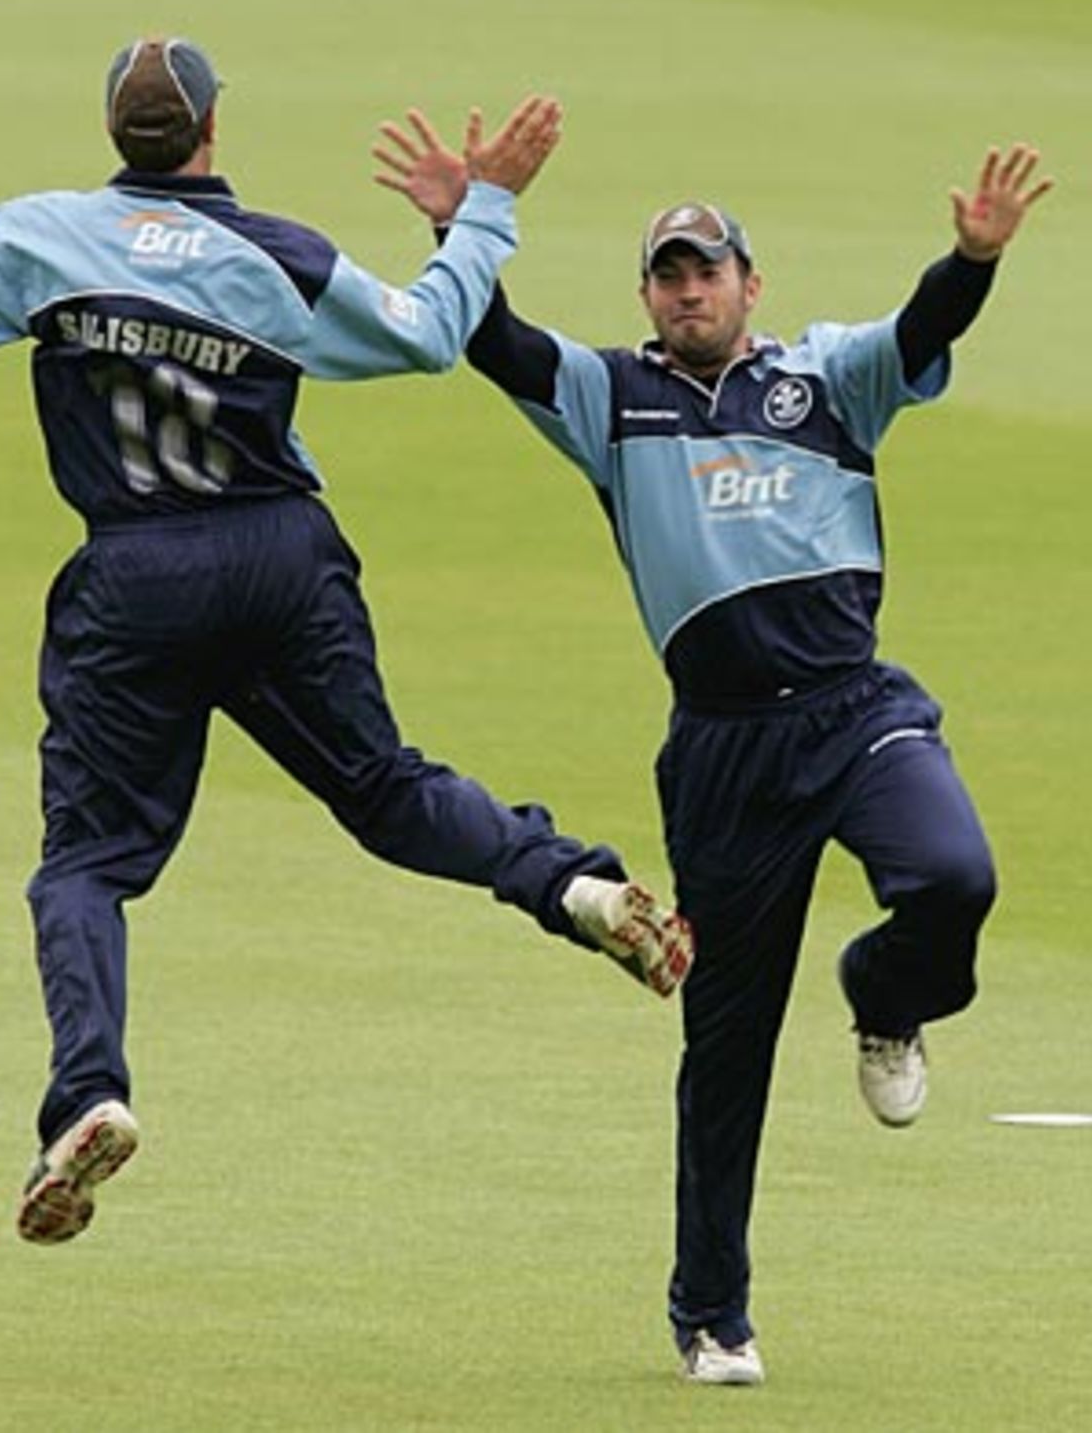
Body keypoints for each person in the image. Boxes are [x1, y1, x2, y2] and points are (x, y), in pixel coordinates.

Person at [0, 39, 695, 1249]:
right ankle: (573, 885)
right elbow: (429, 334)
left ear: (116, 135)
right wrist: (483, 210)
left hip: (133, 576)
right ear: (213, 134)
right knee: (385, 788)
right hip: (283, 556)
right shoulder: (277, 257)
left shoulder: (33, 236)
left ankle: (90, 1092)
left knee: (88, 865)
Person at [374, 117, 1052, 1385]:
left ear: (751, 283)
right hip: (725, 754)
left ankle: (886, 1000)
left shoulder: (825, 379)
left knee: (953, 877)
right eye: (669, 274)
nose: (690, 291)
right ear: (647, 295)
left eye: (709, 270)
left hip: (854, 711)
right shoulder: (607, 398)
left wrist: (969, 262)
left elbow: (920, 334)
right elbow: (493, 341)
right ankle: (710, 1316)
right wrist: (455, 223)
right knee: (725, 1047)